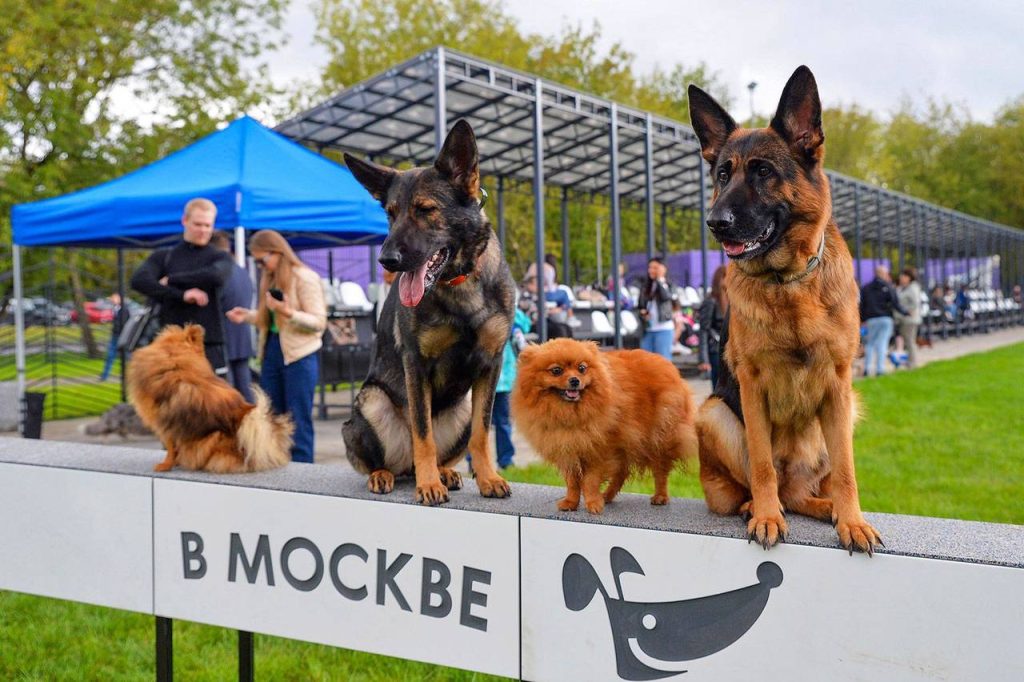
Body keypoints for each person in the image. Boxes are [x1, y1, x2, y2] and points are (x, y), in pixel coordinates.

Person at [226, 230, 327, 463]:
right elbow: (269, 321)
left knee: (297, 418)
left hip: (299, 356)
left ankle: (302, 470)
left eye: (262, 260)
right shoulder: (269, 278)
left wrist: (288, 312)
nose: (261, 265)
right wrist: (248, 316)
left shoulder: (304, 277)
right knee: (271, 416)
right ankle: (277, 463)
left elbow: (319, 322)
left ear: (278, 252)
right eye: (257, 261)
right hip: (272, 351)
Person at [130, 197, 234, 376]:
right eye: (198, 224)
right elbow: (139, 280)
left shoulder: (219, 257)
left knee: (213, 401)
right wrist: (181, 295)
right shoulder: (164, 256)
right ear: (185, 221)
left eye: (208, 225)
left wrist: (172, 279)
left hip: (208, 343)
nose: (203, 230)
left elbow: (216, 276)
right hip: (170, 343)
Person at [211, 230, 255, 402]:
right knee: (245, 390)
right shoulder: (242, 271)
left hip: (221, 338)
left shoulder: (219, 272)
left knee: (226, 394)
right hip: (241, 336)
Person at [859, 265, 908, 377]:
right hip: (885, 319)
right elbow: (895, 303)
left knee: (870, 344)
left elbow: (862, 305)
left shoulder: (866, 288)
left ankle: (867, 368)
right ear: (884, 274)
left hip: (871, 320)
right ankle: (880, 369)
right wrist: (905, 312)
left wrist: (862, 319)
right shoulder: (888, 286)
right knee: (882, 344)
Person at [637, 257, 675, 361]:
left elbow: (665, 297)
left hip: (663, 328)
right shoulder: (646, 286)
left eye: (655, 268)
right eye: (650, 267)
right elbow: (640, 305)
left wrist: (659, 279)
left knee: (663, 361)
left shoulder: (667, 284)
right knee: (645, 361)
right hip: (648, 329)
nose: (651, 270)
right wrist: (643, 312)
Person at [698, 265, 728, 386]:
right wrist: (703, 359)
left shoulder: (732, 300)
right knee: (719, 387)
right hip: (716, 350)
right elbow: (704, 330)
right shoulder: (710, 301)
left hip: (730, 348)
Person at [521, 274, 573, 338]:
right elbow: (534, 313)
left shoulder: (536, 296)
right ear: (530, 285)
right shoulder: (526, 296)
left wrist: (552, 310)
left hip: (543, 322)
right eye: (537, 284)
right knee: (559, 330)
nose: (540, 286)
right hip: (533, 324)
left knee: (567, 328)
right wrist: (551, 311)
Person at [893, 267, 922, 369]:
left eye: (903, 276)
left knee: (910, 342)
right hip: (904, 319)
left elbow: (915, 304)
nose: (901, 277)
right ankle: (910, 361)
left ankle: (912, 363)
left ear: (909, 277)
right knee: (908, 342)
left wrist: (907, 311)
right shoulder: (904, 287)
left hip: (909, 320)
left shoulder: (913, 288)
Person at [99, 293, 123, 381]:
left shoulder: (124, 310)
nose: (112, 300)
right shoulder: (115, 309)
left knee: (127, 356)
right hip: (115, 335)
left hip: (121, 335)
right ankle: (105, 375)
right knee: (110, 356)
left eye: (114, 298)